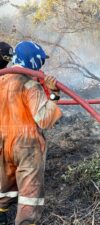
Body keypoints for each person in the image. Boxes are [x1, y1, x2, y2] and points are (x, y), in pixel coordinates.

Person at [0, 41, 62, 225]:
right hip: (27, 145)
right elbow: (44, 119)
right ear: (34, 61)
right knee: (30, 192)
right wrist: (53, 95)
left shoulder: (1, 80)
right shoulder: (30, 86)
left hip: (3, 142)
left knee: (4, 185)